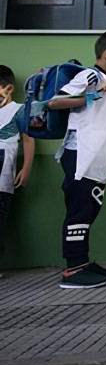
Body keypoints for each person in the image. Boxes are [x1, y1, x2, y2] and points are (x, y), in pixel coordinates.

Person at [42, 30, 106, 289]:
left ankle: (83, 262)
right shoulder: (90, 75)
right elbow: (55, 103)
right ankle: (73, 269)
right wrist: (92, 96)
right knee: (79, 210)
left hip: (95, 155)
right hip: (81, 153)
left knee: (89, 208)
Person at [0, 66, 35, 260]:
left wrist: (26, 169)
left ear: (9, 89)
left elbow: (29, 139)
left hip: (4, 177)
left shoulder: (19, 110)